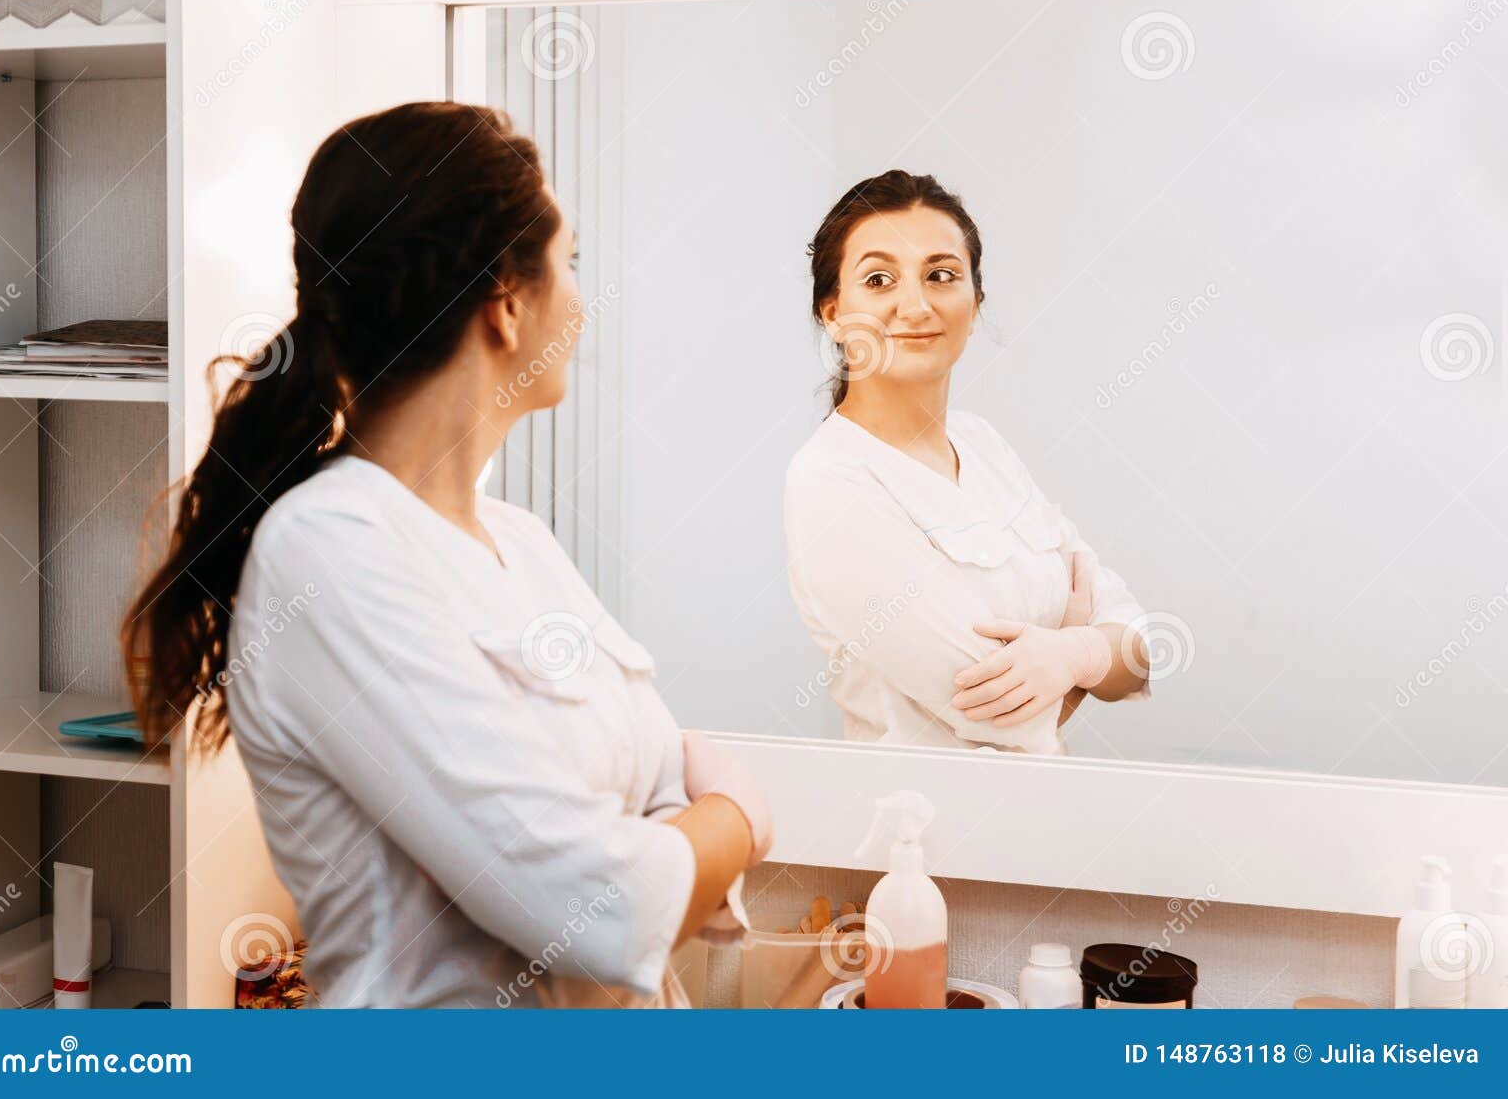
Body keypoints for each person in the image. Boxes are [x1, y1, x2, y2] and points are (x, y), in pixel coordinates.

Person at [123, 102, 769, 1007]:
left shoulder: (523, 544)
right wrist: (739, 814)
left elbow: (654, 800)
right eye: (569, 263)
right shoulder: (329, 551)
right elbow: (601, 905)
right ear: (507, 299)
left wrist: (668, 842)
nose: (579, 300)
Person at [783, 170, 1151, 755]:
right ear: (832, 312)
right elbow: (1001, 715)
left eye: (941, 275)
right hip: (927, 833)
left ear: (975, 302)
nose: (915, 304)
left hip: (1048, 825)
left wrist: (1073, 652)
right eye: (879, 279)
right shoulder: (831, 481)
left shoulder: (982, 445)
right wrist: (1084, 646)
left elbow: (1140, 650)